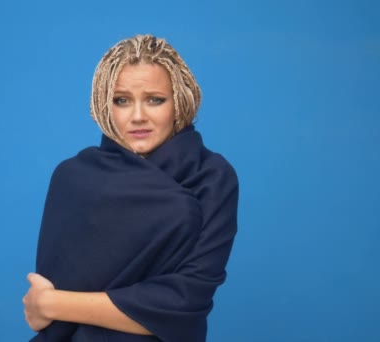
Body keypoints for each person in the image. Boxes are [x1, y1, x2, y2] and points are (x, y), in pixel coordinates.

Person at [22, 34, 239, 342]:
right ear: (103, 105)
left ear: (179, 101)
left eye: (155, 99)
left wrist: (52, 304)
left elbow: (186, 304)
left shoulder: (212, 177)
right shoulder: (73, 178)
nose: (138, 116)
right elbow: (47, 311)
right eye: (121, 100)